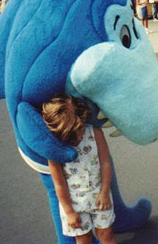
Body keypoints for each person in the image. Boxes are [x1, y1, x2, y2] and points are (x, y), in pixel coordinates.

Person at [42, 94, 117, 244]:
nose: (79, 138)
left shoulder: (94, 132)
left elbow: (105, 163)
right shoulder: (54, 149)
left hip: (99, 196)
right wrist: (69, 211)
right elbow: (59, 184)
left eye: (80, 129)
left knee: (106, 235)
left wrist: (104, 192)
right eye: (73, 136)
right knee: (83, 239)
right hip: (75, 204)